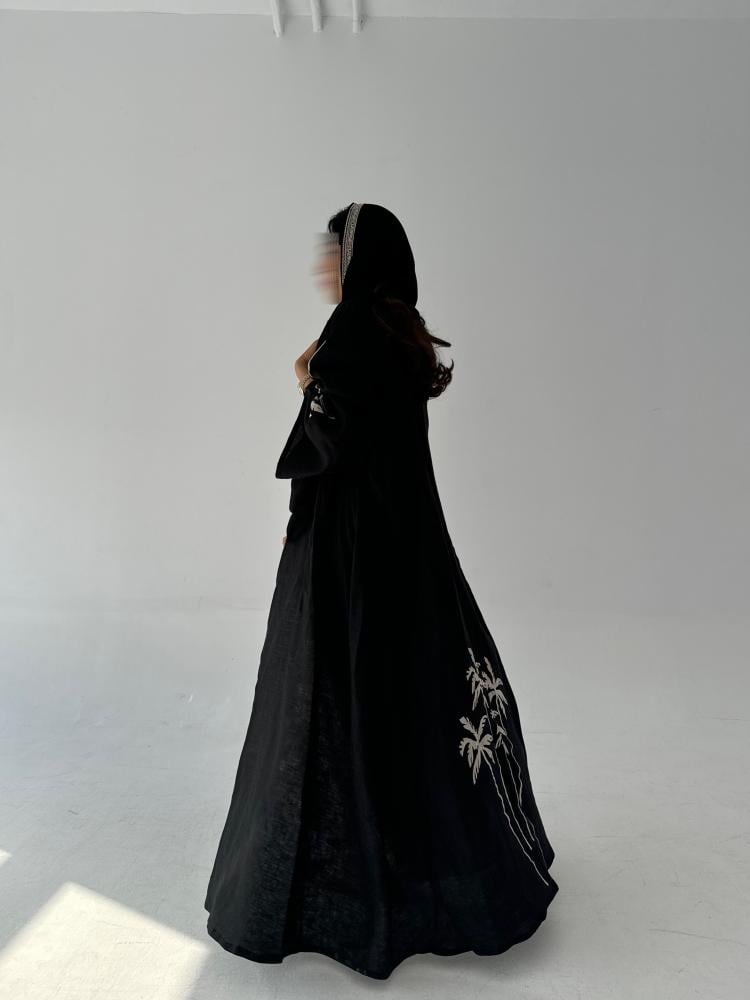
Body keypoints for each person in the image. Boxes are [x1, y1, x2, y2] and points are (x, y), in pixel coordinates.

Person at [204, 202, 558, 980]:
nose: (321, 267)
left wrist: (306, 376)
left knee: (338, 701)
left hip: (350, 550)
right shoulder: (402, 332)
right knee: (409, 697)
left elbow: (328, 442)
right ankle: (426, 865)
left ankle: (344, 887)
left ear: (361, 261)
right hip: (409, 546)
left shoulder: (351, 335)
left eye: (333, 252)